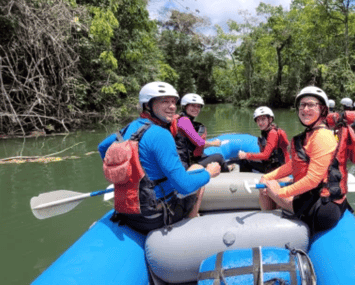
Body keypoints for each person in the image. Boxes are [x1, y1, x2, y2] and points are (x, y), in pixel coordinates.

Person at [99, 82, 221, 234]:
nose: (172, 107)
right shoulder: (161, 135)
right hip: (154, 217)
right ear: (148, 105)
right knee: (198, 169)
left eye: (173, 102)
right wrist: (209, 173)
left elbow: (103, 147)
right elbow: (184, 186)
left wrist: (124, 173)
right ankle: (192, 221)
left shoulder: (128, 128)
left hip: (126, 212)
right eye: (164, 101)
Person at [259, 86, 355, 233]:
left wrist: (280, 193)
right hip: (314, 196)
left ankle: (266, 230)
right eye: (302, 105)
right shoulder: (309, 134)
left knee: (268, 188)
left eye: (311, 105)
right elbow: (295, 164)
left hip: (322, 208)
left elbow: (313, 179)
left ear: (323, 110)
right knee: (268, 181)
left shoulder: (322, 137)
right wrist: (267, 176)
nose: (305, 109)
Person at [174, 93, 233, 172]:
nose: (196, 109)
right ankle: (228, 169)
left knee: (204, 155)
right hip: (185, 164)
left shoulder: (182, 119)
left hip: (186, 159)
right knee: (219, 157)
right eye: (192, 105)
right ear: (185, 106)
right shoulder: (184, 121)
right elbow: (199, 143)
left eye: (198, 106)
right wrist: (214, 143)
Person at [234, 106, 290, 173]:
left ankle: (246, 181)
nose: (260, 123)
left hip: (276, 169)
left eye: (263, 119)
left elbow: (266, 155)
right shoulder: (267, 132)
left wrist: (246, 155)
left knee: (244, 160)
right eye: (258, 120)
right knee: (240, 159)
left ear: (270, 119)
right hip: (272, 165)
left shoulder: (272, 133)